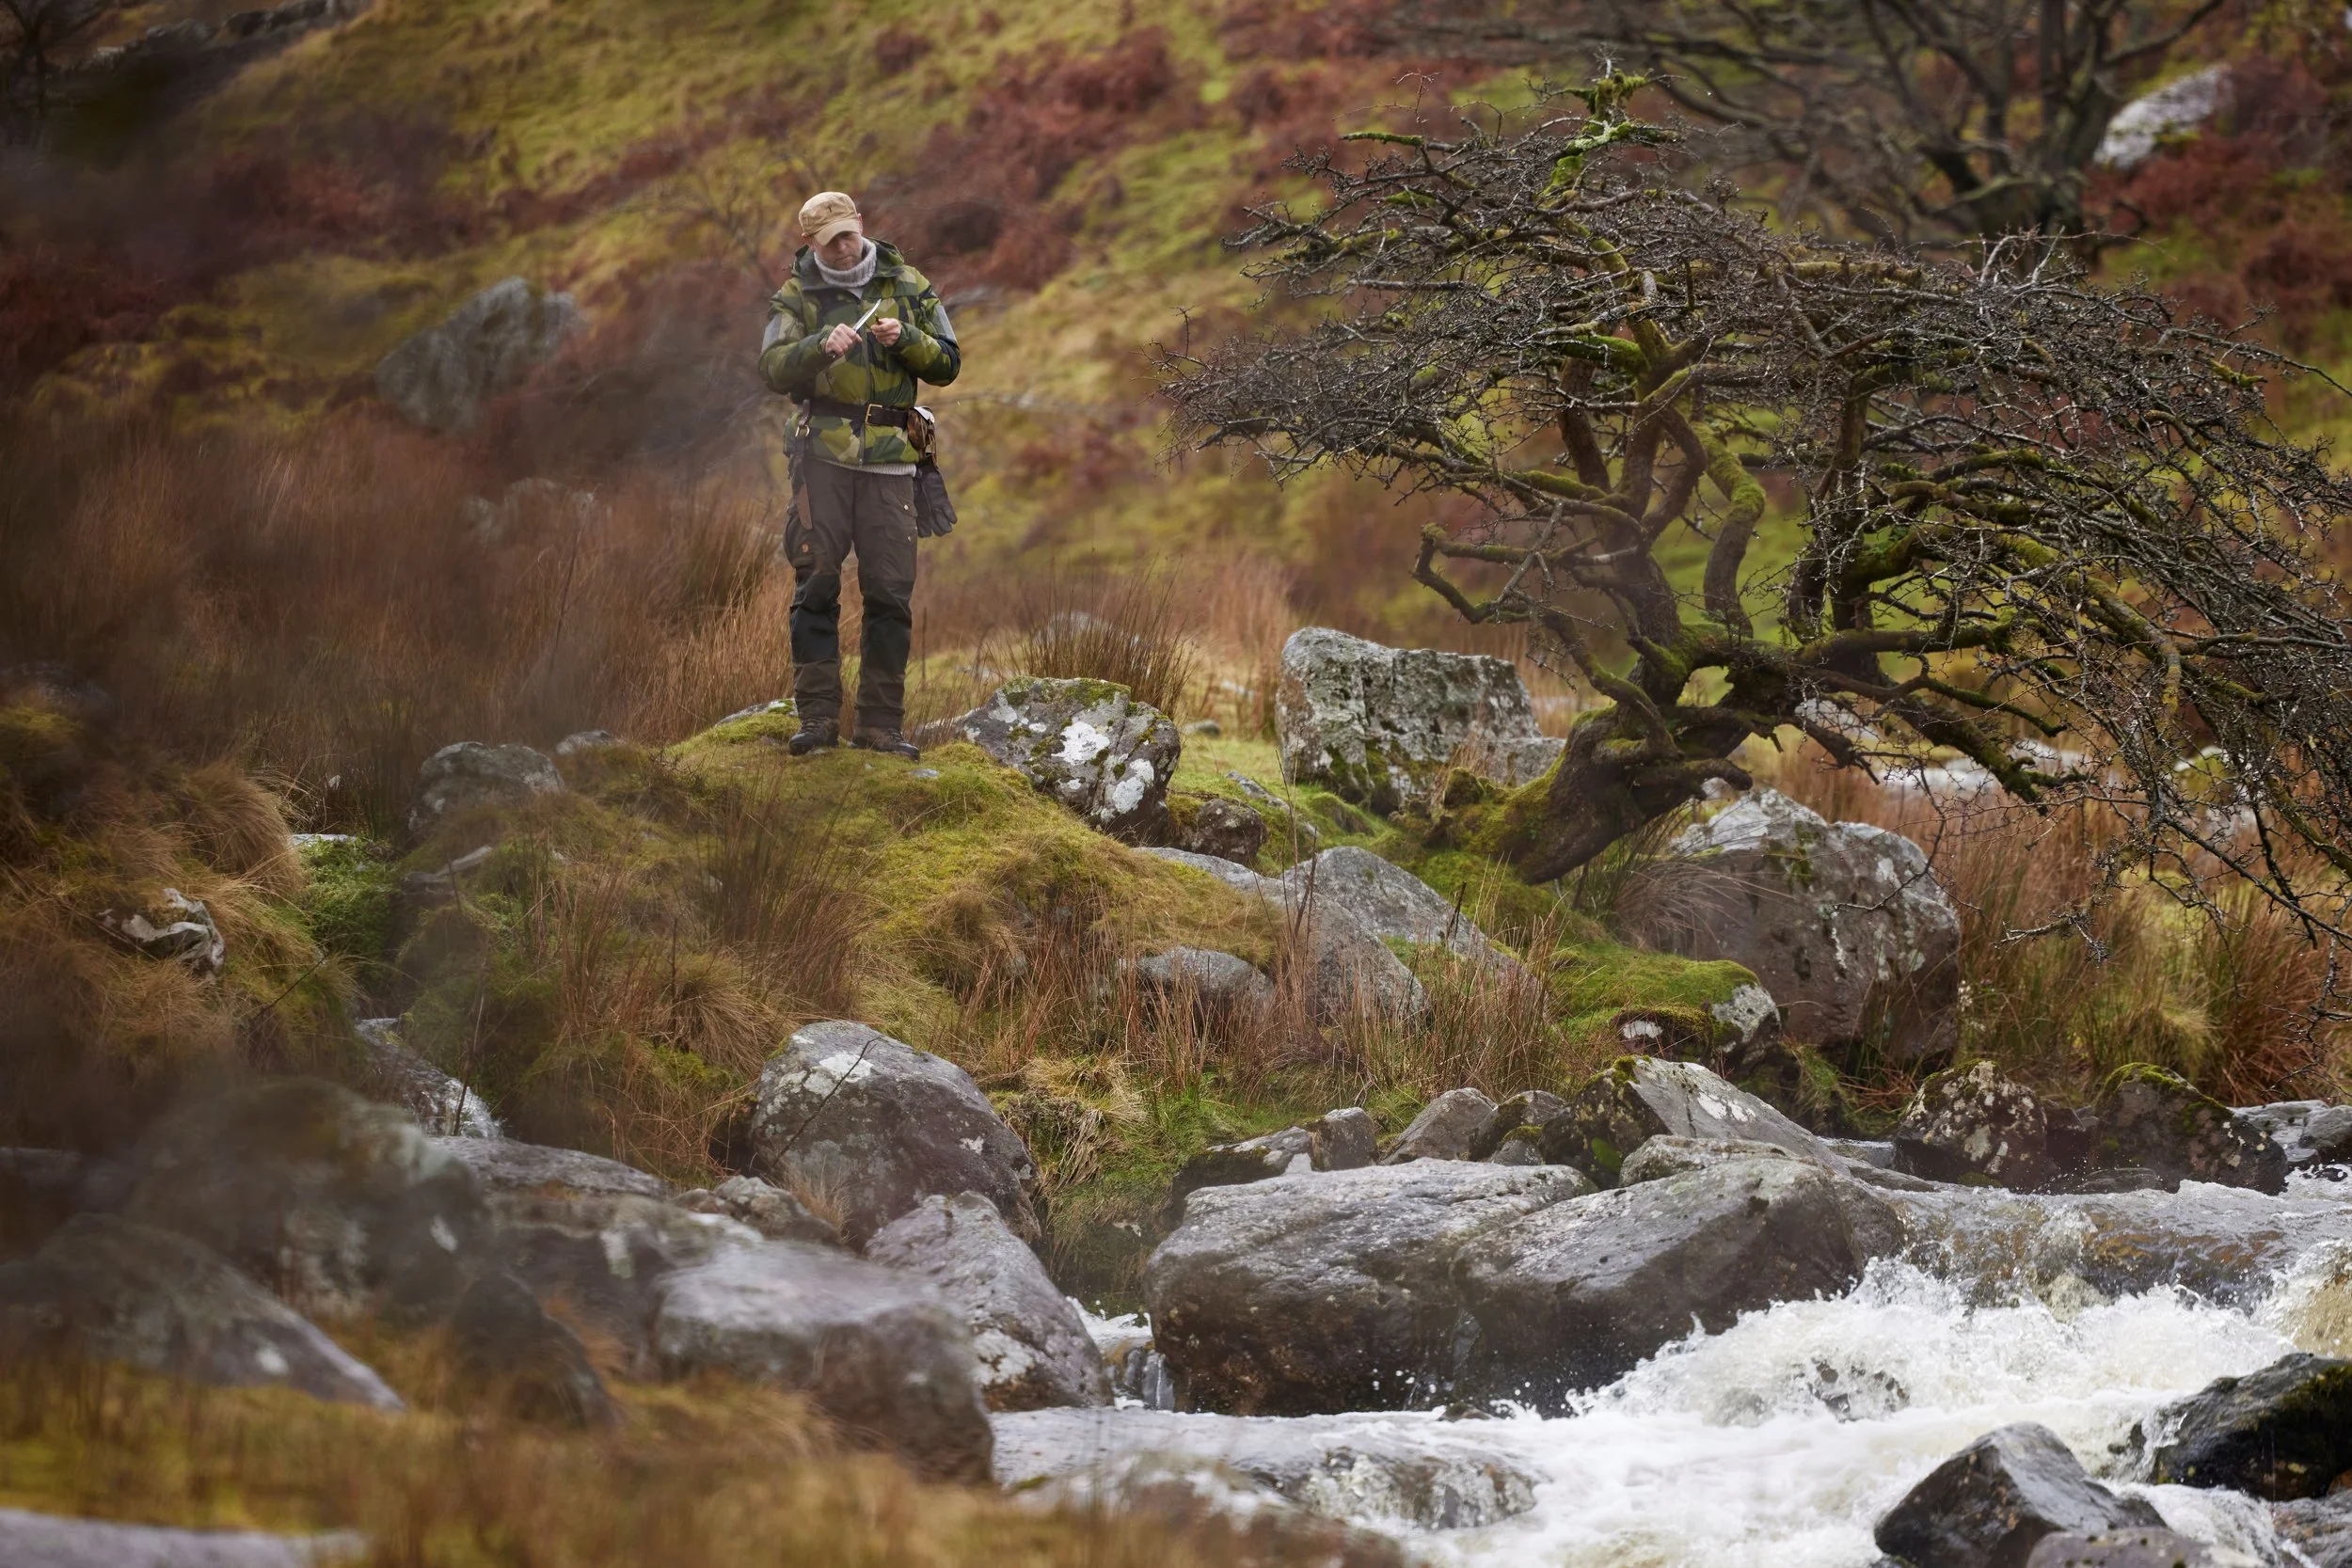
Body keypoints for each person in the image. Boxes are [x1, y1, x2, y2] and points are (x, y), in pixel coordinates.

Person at [758, 190, 961, 759]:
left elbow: (949, 361)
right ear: (811, 244)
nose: (844, 249)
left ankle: (879, 727)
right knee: (816, 587)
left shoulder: (909, 284)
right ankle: (818, 720)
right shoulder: (795, 296)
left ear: (861, 225)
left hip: (894, 464)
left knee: (891, 593)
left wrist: (910, 341)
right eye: (831, 242)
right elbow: (771, 369)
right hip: (820, 463)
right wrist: (820, 347)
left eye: (849, 235)